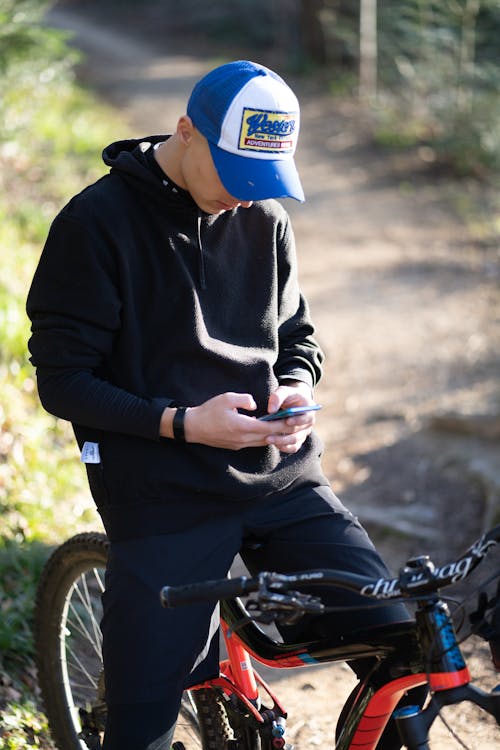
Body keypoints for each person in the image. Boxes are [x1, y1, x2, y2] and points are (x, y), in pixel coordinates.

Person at [27, 60, 420, 750]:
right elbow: (64, 381)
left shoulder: (262, 217)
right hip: (161, 493)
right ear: (186, 133)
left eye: (261, 182)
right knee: (140, 726)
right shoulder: (95, 224)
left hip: (281, 478)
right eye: (235, 176)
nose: (245, 197)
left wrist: (300, 383)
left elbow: (298, 336)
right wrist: (183, 423)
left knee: (399, 647)